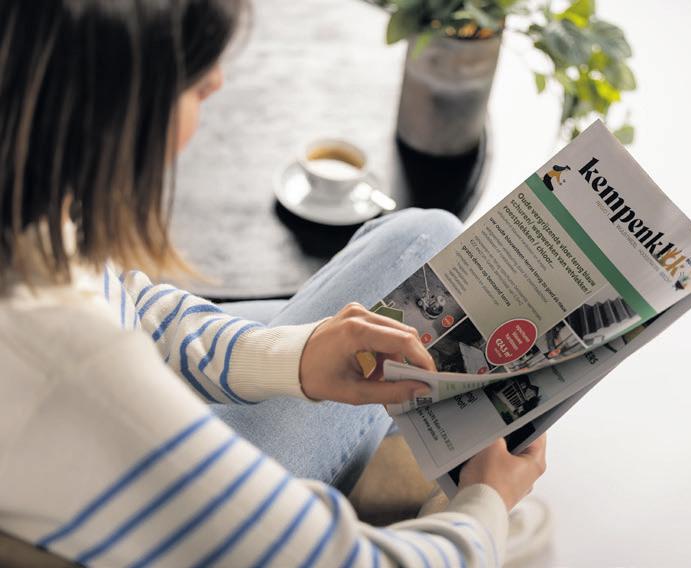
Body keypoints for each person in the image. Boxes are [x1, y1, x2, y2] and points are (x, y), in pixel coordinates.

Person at [0, 0, 547, 566]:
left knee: (411, 262)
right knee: (427, 242)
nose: (217, 81)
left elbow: (125, 302)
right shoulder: (74, 364)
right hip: (138, 499)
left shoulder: (27, 218)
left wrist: (292, 357)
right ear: (111, 106)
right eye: (193, 73)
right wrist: (486, 501)